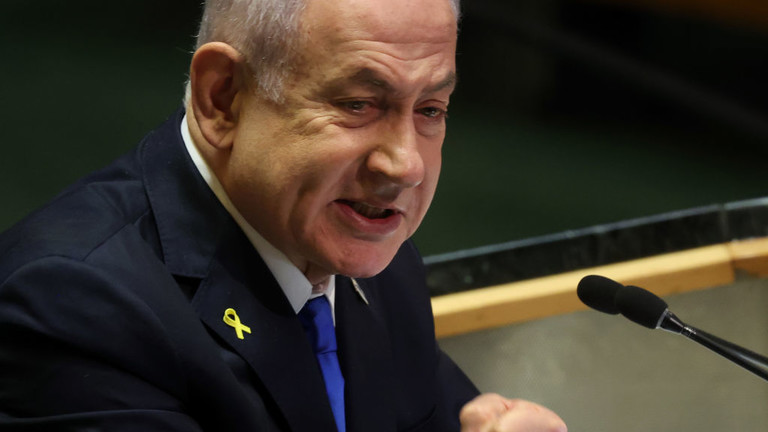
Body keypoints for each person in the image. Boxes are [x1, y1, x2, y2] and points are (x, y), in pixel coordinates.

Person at [0, 0, 567, 431]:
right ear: (222, 97)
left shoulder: (372, 253)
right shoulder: (74, 305)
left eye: (430, 110)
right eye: (357, 105)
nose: (406, 165)